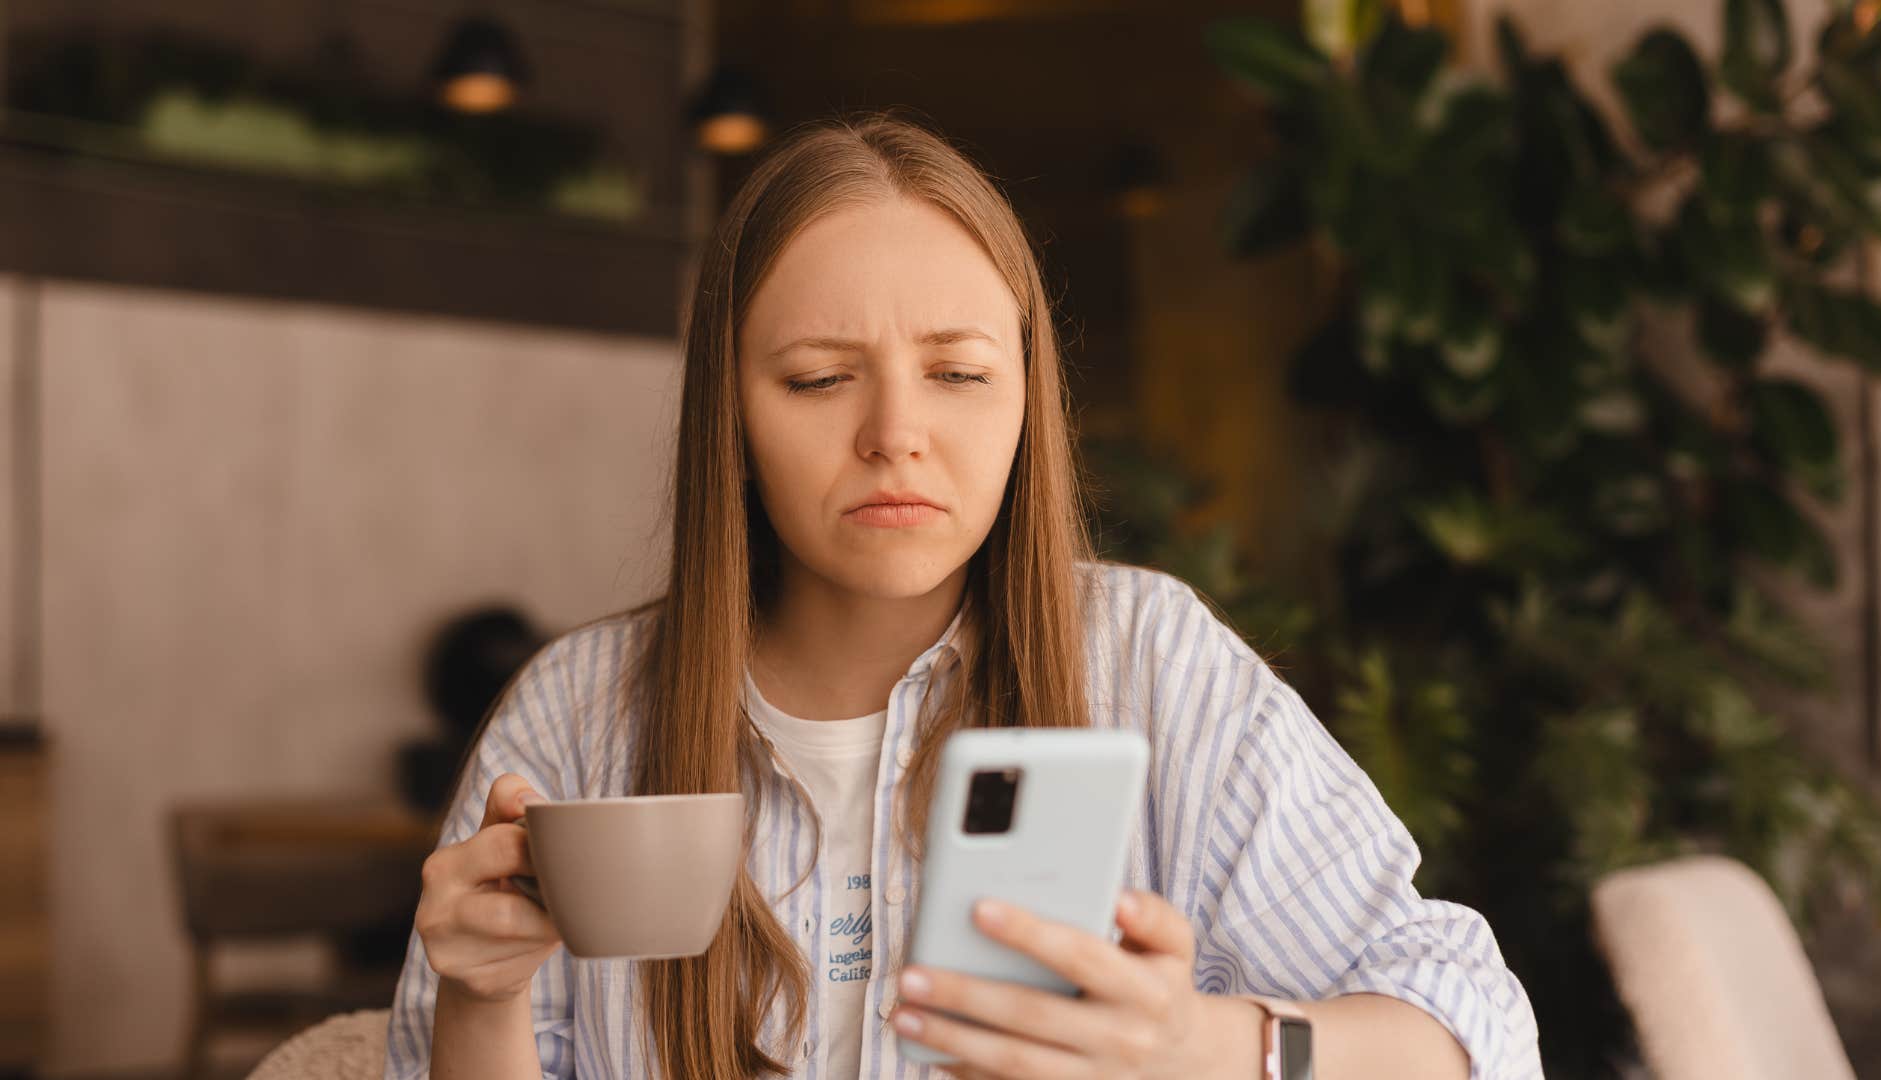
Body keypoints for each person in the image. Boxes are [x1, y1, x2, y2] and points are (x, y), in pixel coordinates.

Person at [383, 113, 1543, 1080]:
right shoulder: (581, 715)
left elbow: (1476, 1027)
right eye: (821, 378)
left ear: (1026, 400)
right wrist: (481, 997)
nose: (896, 436)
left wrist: (1201, 1044)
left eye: (959, 375)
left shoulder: (1149, 665)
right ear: (729, 417)